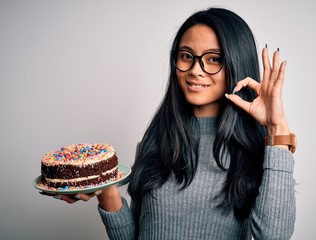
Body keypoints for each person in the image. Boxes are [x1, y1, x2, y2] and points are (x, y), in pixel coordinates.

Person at [52, 7, 296, 240]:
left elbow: (273, 235)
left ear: (236, 64)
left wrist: (277, 129)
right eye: (186, 56)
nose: (195, 70)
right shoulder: (155, 140)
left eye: (213, 59)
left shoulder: (262, 153)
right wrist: (106, 191)